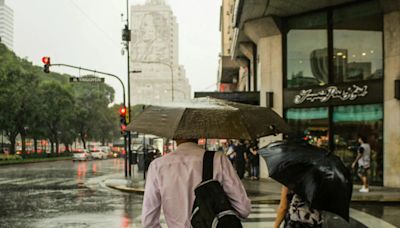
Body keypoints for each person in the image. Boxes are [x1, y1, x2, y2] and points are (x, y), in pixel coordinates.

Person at [142, 139, 251, 228]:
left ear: (174, 137)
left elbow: (148, 222)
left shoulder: (158, 166)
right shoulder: (218, 159)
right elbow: (244, 209)